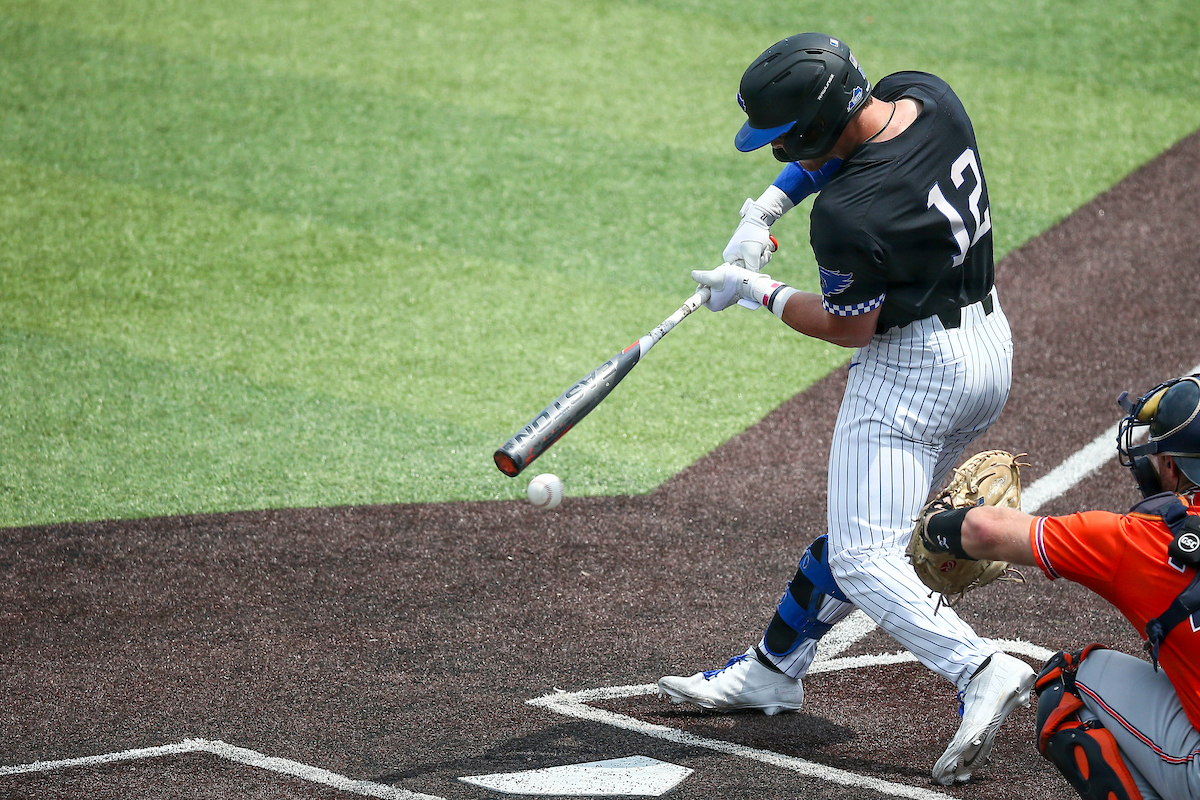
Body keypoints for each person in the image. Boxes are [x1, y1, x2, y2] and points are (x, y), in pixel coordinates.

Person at [656, 32, 1034, 786]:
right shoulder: (928, 96)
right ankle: (773, 669)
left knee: (865, 559)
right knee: (869, 521)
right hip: (989, 347)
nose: (778, 157)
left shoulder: (850, 216)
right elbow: (836, 147)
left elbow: (849, 327)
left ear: (815, 129)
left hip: (913, 374)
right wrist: (761, 212)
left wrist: (756, 291)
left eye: (785, 143)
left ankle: (978, 668)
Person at [915, 374, 1200, 800]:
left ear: (1172, 466)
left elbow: (983, 529)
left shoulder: (1142, 541)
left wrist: (932, 522)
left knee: (1068, 682)